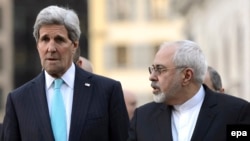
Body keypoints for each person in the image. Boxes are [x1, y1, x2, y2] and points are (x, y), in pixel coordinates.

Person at [2, 5, 129, 141]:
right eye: (45, 39)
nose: (51, 48)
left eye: (59, 39)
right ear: (37, 45)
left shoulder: (107, 92)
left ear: (74, 45)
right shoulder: (19, 100)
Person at [127, 40, 250, 141]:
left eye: (160, 69)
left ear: (187, 76)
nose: (152, 76)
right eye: (152, 69)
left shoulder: (236, 113)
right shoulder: (142, 118)